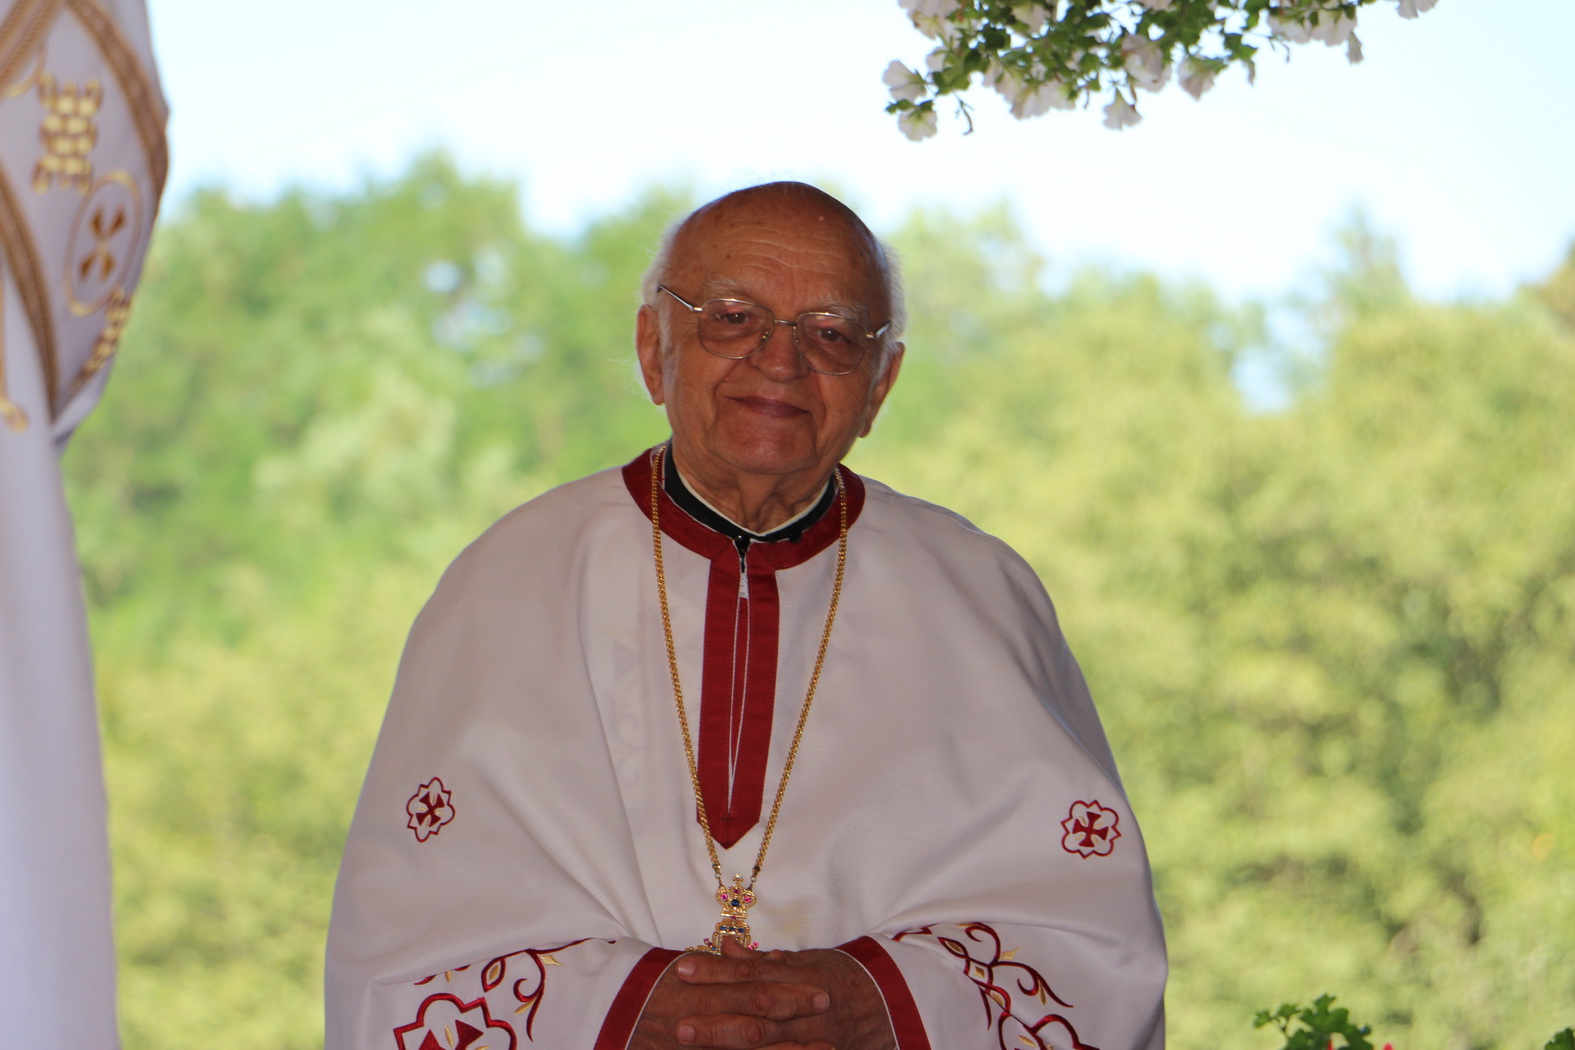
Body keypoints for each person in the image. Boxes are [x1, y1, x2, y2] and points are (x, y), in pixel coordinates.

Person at [326, 182, 1166, 1050]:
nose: (780, 362)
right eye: (733, 319)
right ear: (653, 349)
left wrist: (882, 1001)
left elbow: (1089, 941)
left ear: (880, 383)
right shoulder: (506, 582)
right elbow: (407, 939)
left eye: (832, 333)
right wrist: (620, 1006)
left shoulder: (980, 596)